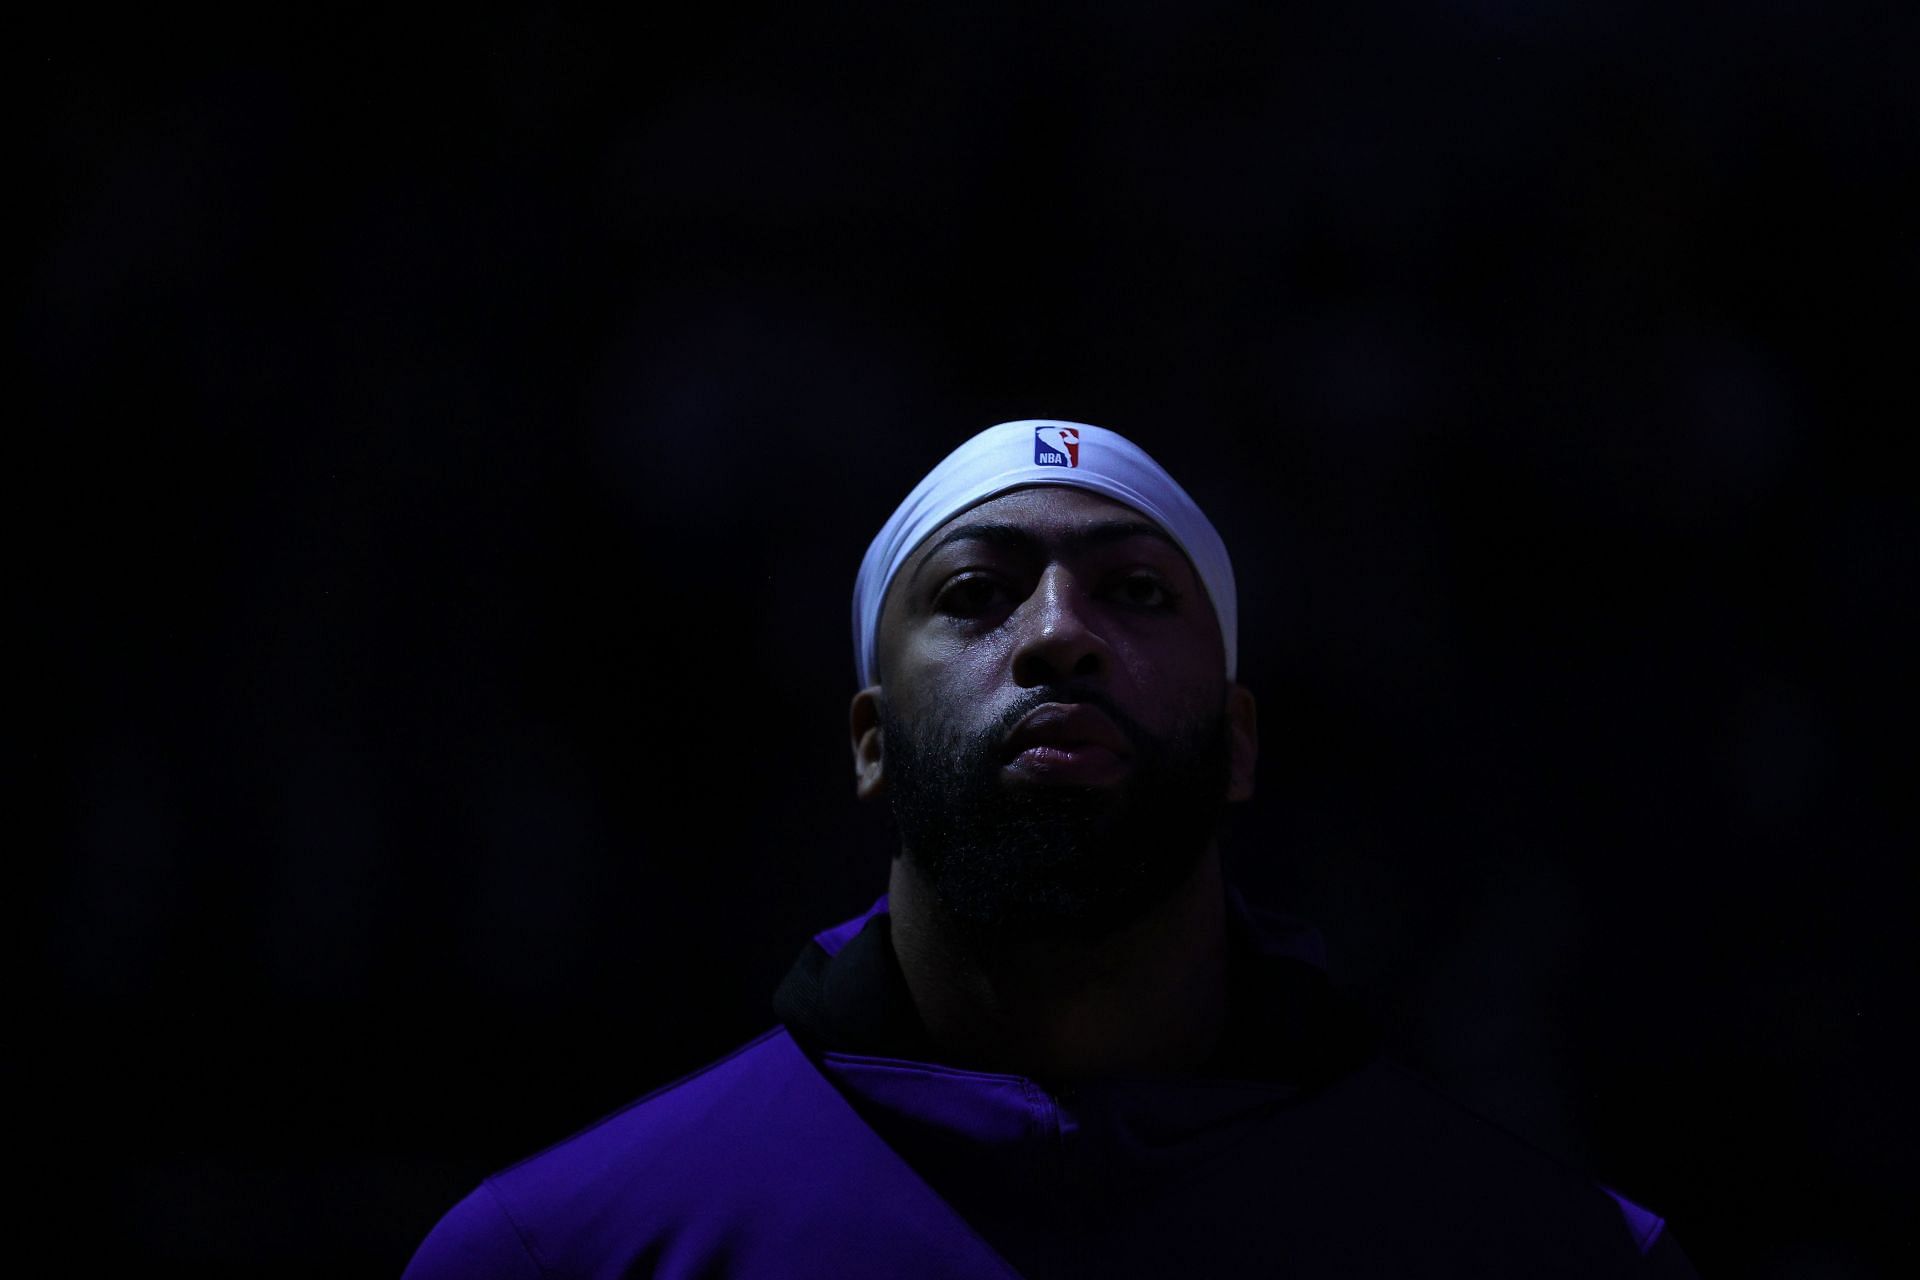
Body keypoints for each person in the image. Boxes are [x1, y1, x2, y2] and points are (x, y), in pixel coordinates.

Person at [404, 420, 1697, 1278]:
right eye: (977, 592)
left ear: (1240, 739)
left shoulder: (1550, 1258)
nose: (1059, 634)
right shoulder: (558, 1257)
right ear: (869, 738)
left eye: (1135, 591)